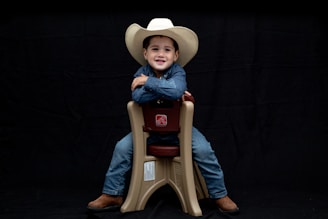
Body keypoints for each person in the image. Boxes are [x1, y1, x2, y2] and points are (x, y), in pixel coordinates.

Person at [87, 18, 240, 215]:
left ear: (176, 55)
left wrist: (149, 83)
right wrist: (163, 89)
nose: (160, 54)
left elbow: (176, 91)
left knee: (203, 150)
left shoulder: (177, 73)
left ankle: (219, 194)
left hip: (180, 131)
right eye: (155, 49)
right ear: (145, 53)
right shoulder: (141, 72)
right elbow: (138, 96)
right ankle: (112, 192)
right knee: (122, 147)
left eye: (167, 50)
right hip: (147, 131)